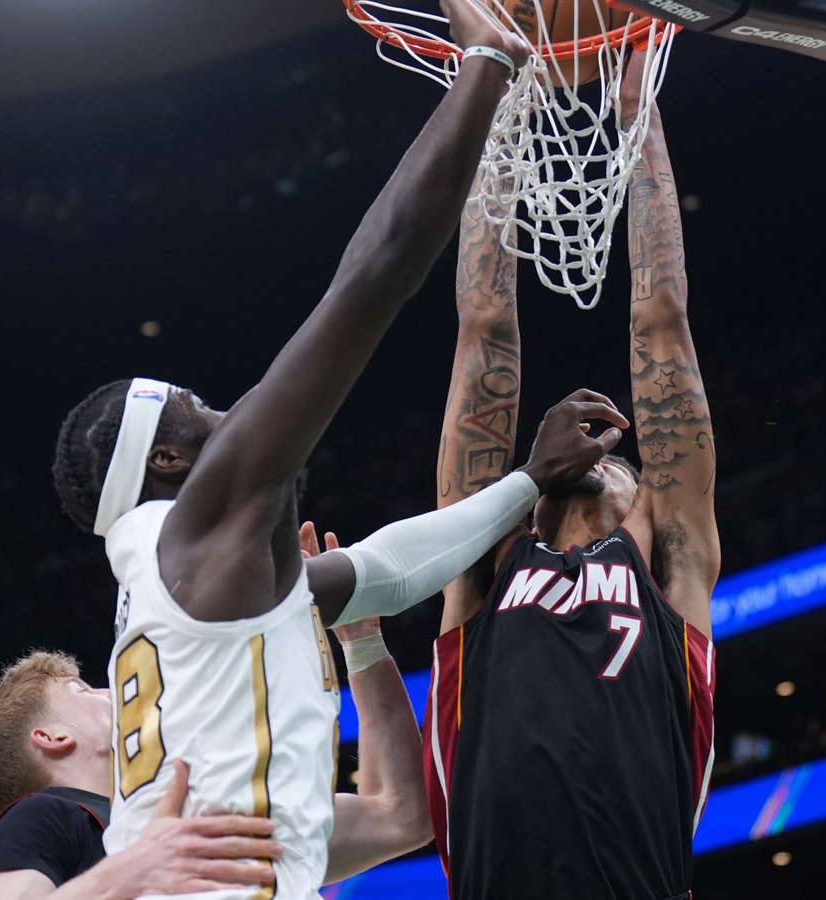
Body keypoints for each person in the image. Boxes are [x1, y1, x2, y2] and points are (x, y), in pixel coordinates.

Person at [47, 2, 629, 897]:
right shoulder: (203, 530)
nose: (225, 412)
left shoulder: (184, 589)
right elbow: (379, 267)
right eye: (197, 408)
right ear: (168, 462)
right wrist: (484, 63)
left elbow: (381, 576)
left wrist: (525, 483)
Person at [425, 56, 717, 900]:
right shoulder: (481, 566)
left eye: (624, 463)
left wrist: (639, 115)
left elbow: (661, 324)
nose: (604, 461)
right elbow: (482, 329)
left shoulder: (672, 573)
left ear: (650, 508)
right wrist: (499, 106)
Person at [0, 603, 426, 898]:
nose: (110, 692)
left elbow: (399, 817)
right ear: (53, 738)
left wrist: (360, 641)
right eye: (83, 690)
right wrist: (135, 869)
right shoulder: (46, 817)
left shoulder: (196, 804)